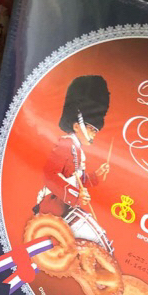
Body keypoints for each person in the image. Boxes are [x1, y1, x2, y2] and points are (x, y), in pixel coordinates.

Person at [35, 75, 110, 217]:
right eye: (92, 129)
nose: (94, 135)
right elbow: (50, 175)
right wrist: (76, 196)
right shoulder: (65, 144)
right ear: (76, 126)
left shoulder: (77, 149)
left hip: (65, 207)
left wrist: (96, 175)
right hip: (52, 205)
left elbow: (78, 181)